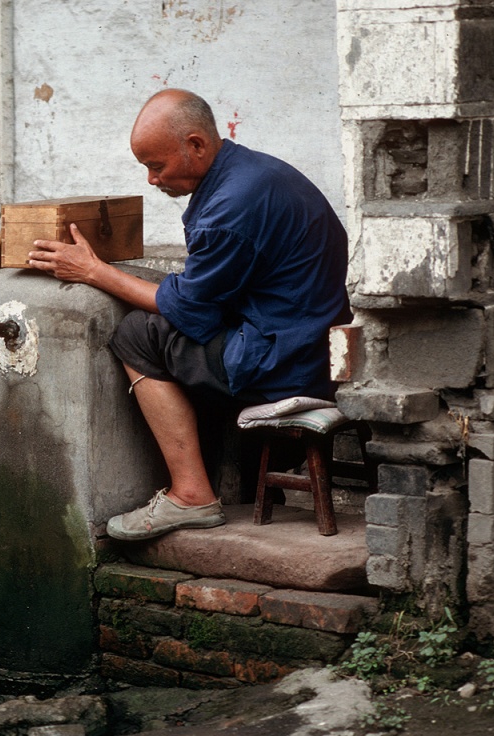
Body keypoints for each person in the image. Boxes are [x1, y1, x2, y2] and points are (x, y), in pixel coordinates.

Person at [27, 88, 349, 542]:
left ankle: (192, 495)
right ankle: (222, 479)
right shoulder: (252, 171)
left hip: (285, 361)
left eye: (156, 166)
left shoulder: (230, 206)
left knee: (139, 335)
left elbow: (189, 310)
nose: (152, 180)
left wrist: (93, 271)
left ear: (196, 145)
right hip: (311, 343)